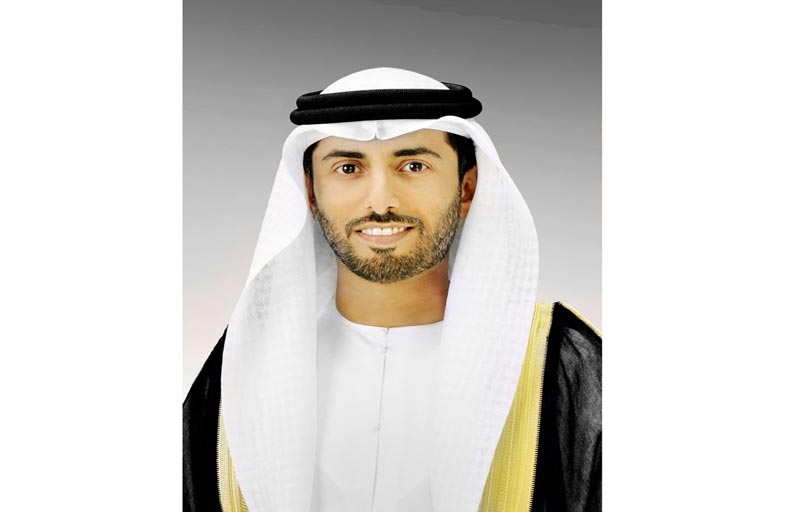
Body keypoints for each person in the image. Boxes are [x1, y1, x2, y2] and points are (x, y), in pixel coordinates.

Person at [184, 67, 601, 512]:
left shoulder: (560, 360)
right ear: (310, 194)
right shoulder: (248, 360)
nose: (380, 201)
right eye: (348, 168)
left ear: (466, 189)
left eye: (413, 166)